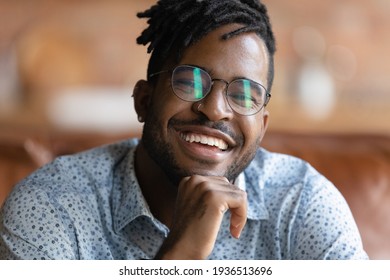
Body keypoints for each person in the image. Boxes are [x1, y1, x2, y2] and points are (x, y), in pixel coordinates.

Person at [0, 0, 368, 260]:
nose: (214, 109)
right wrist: (182, 256)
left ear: (263, 127)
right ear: (144, 100)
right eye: (190, 82)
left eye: (244, 94)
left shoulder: (302, 203)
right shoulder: (51, 205)